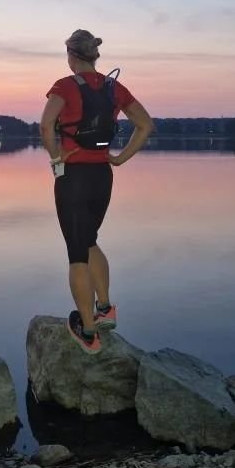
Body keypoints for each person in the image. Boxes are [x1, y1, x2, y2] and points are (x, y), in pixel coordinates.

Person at [40, 30, 154, 354]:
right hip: (103, 175)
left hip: (73, 175)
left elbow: (46, 126)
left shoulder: (64, 86)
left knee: (76, 252)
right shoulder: (113, 87)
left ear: (71, 55)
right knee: (89, 239)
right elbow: (145, 125)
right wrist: (120, 158)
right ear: (95, 56)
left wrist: (56, 157)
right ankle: (105, 308)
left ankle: (88, 331)